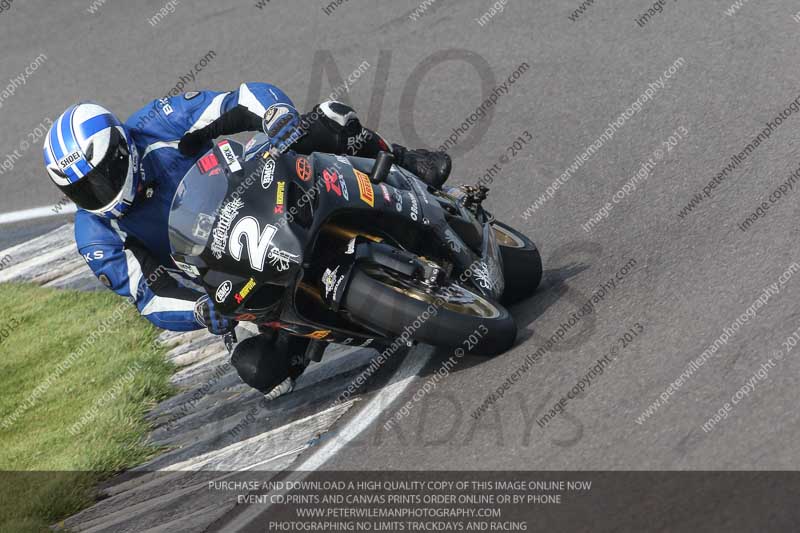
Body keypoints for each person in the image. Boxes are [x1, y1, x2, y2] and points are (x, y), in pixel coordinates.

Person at [42, 82, 451, 400]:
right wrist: (201, 311)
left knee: (328, 120)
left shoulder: (157, 124)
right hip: (234, 277)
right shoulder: (96, 234)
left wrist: (275, 115)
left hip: (261, 193)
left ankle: (404, 161)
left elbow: (238, 100)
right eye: (82, 191)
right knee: (262, 372)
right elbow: (149, 296)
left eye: (99, 178)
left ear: (120, 149)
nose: (97, 193)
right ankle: (343, 322)